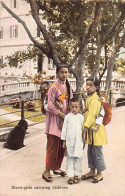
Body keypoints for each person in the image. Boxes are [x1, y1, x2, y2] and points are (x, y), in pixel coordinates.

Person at [42, 64, 73, 182]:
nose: (64, 75)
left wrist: (67, 118)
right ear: (57, 73)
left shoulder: (68, 86)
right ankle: (46, 171)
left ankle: (56, 167)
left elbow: (71, 102)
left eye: (66, 72)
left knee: (61, 146)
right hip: (54, 121)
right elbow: (49, 105)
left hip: (63, 120)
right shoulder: (53, 87)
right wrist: (62, 116)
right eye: (62, 72)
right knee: (52, 146)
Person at [82, 76, 107, 183]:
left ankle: (100, 173)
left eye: (90, 85)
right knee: (90, 151)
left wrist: (84, 128)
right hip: (91, 130)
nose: (87, 87)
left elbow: (92, 115)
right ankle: (92, 170)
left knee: (97, 151)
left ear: (96, 87)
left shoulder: (95, 100)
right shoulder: (89, 98)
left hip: (95, 130)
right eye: (86, 84)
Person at [61, 97, 84, 185]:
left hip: (78, 141)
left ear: (79, 107)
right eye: (72, 107)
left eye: (76, 107)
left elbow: (83, 130)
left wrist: (84, 140)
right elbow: (64, 129)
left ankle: (77, 175)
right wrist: (64, 141)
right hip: (69, 142)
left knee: (78, 158)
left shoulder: (81, 117)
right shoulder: (67, 117)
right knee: (70, 158)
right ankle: (70, 175)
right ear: (69, 107)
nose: (74, 109)